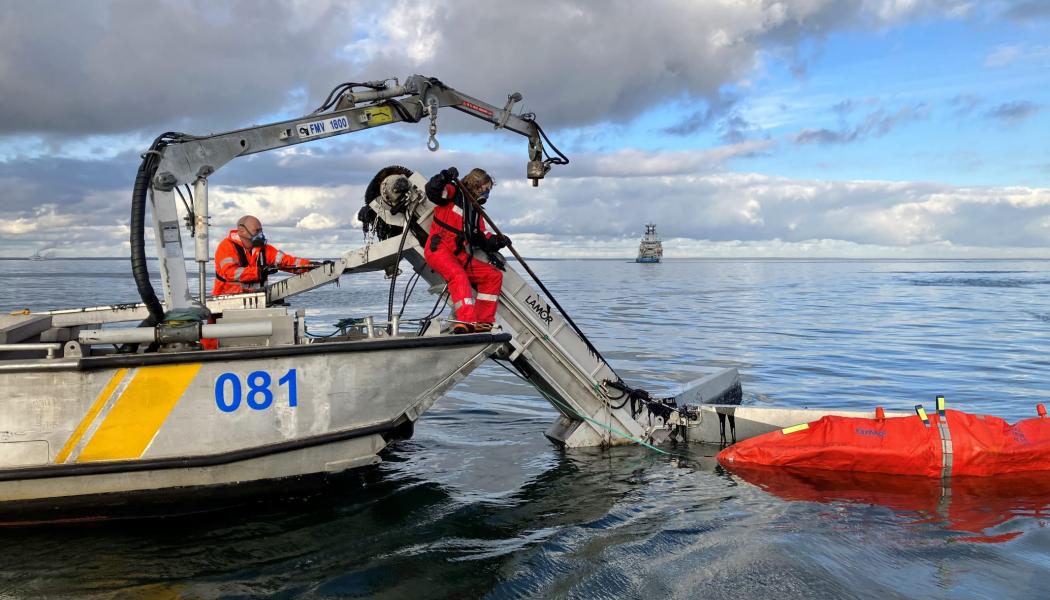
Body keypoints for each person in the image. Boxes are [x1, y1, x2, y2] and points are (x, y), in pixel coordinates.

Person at [425, 167, 511, 334]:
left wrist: (498, 241)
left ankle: (483, 323)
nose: (487, 194)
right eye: (485, 189)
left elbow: (482, 237)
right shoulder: (453, 192)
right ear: (475, 185)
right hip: (439, 248)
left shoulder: (476, 212)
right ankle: (465, 322)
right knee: (458, 276)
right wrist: (443, 177)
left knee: (493, 276)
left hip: (458, 254)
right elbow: (433, 191)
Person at [212, 215, 313, 296]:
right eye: (256, 231)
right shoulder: (226, 247)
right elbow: (230, 273)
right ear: (242, 231)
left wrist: (312, 265)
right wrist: (259, 272)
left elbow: (288, 262)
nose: (260, 234)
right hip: (226, 301)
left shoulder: (264, 249)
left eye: (261, 230)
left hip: (257, 300)